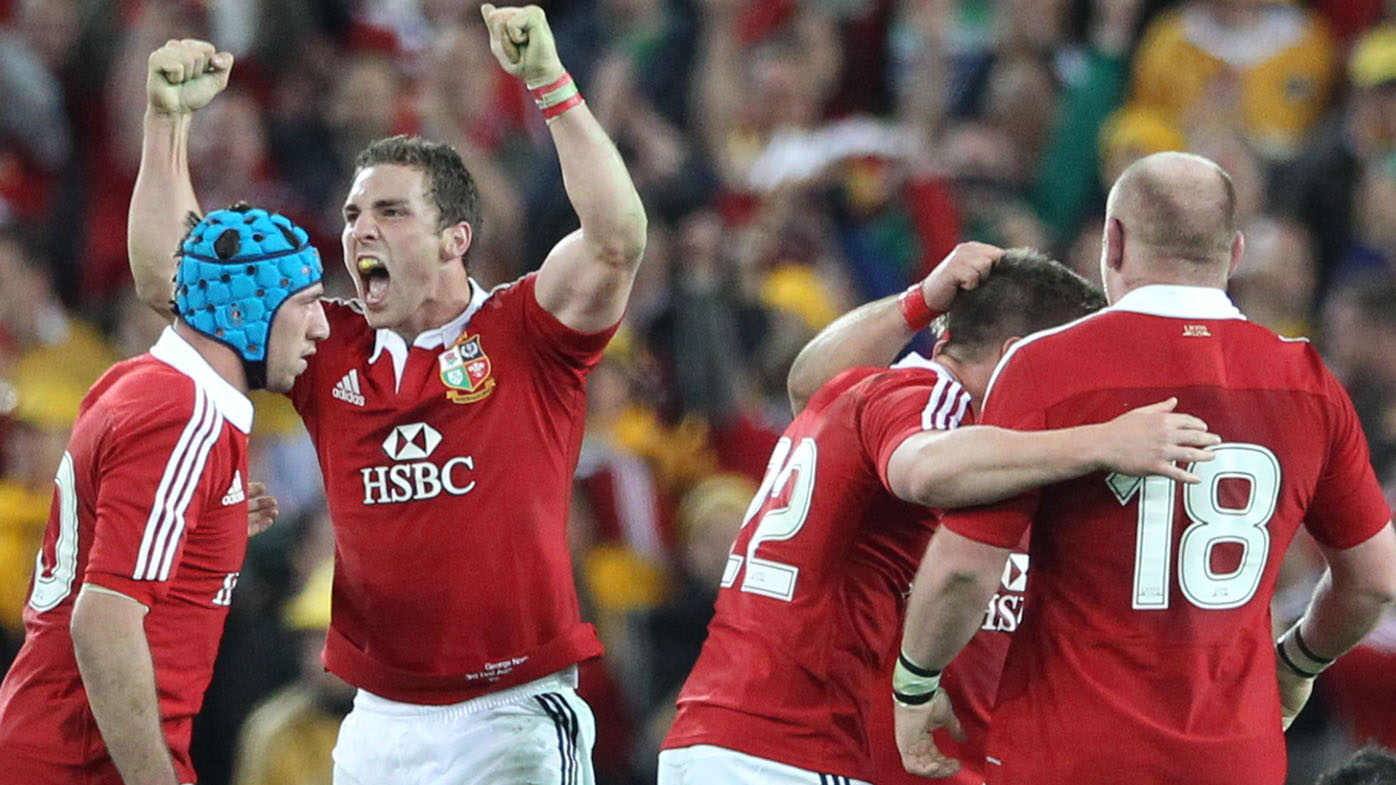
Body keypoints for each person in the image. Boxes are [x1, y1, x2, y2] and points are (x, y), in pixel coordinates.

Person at [128, 8, 647, 783]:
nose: (360, 230)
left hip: (509, 712)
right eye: (352, 213)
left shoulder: (523, 332)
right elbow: (169, 282)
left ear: (455, 238)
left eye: (391, 211)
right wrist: (165, 124)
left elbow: (616, 238)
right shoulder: (323, 342)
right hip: (376, 721)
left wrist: (547, 80)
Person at [893, 152, 1396, 785]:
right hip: (1234, 759)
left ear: (1113, 240)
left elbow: (967, 568)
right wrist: (1296, 665)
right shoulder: (1309, 382)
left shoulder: (1047, 364)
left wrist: (915, 684)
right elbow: (1373, 580)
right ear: (1235, 251)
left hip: (1071, 751)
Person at [658, 245, 1222, 785]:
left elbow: (808, 382)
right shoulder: (936, 400)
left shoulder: (865, 392)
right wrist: (1103, 442)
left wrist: (919, 301)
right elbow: (925, 469)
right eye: (1071, 369)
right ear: (1015, 355)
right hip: (795, 749)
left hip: (720, 736)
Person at [0, 204, 328, 785]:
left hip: (56, 742)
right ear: (242, 311)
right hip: (85, 764)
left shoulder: (136, 382)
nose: (321, 327)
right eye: (304, 303)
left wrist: (203, 528)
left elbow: (103, 553)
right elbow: (103, 621)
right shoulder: (184, 414)